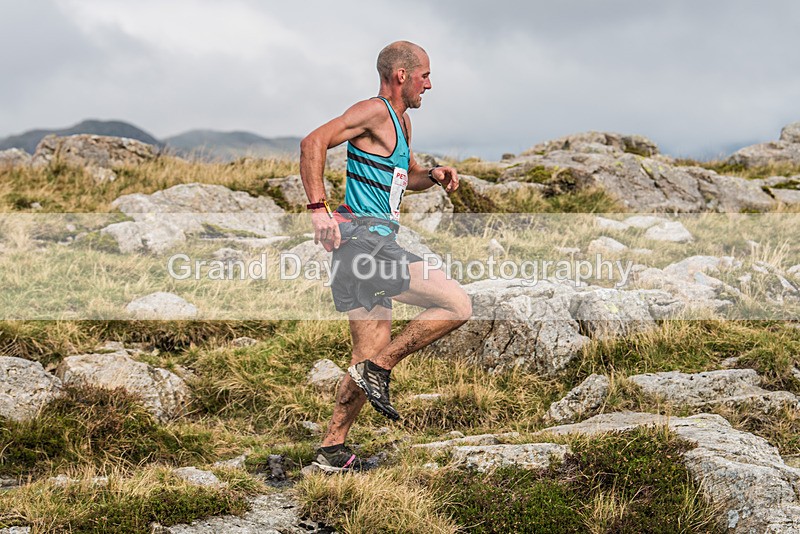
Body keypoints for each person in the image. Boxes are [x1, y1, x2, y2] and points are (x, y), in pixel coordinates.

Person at [299, 40, 472, 472]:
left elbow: (405, 176)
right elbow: (313, 142)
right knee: (456, 303)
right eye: (424, 76)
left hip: (361, 247)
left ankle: (331, 450)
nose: (429, 85)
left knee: (364, 356)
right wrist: (318, 210)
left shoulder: (402, 123)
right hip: (365, 241)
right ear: (401, 76)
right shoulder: (374, 111)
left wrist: (431, 175)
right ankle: (383, 367)